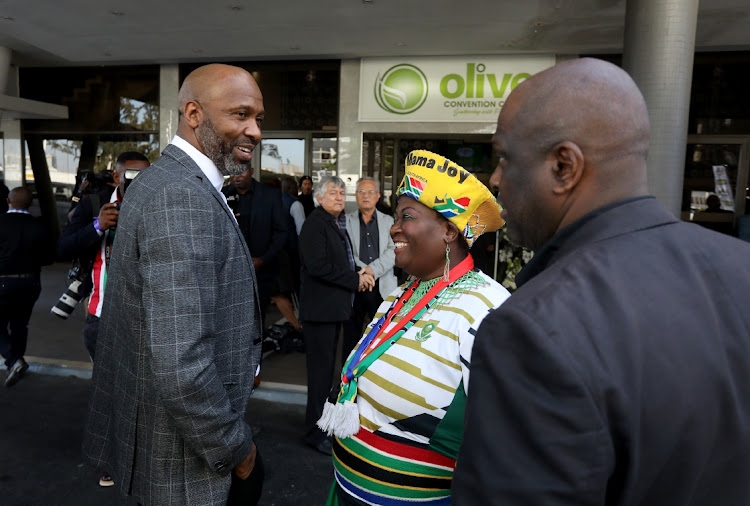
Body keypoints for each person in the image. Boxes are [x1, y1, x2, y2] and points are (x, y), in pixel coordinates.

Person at [453, 58, 750, 505]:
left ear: (564, 167)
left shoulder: (533, 329)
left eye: (503, 158)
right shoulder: (741, 265)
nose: (494, 180)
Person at [82, 64, 265, 506]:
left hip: (171, 450)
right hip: (188, 463)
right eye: (240, 114)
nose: (255, 131)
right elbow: (182, 364)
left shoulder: (167, 181)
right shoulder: (180, 195)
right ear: (194, 113)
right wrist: (238, 451)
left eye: (258, 118)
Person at [318, 150, 510, 505]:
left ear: (449, 231)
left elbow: (509, 445)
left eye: (407, 216)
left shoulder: (489, 309)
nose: (394, 227)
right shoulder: (400, 296)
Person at [299, 175, 374, 455]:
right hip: (319, 313)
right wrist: (355, 280)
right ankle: (313, 433)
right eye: (333, 193)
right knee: (319, 377)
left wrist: (359, 273)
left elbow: (339, 262)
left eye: (342, 193)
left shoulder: (332, 223)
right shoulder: (314, 225)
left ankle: (320, 427)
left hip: (330, 312)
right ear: (319, 197)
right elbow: (319, 267)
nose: (340, 198)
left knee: (326, 374)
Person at [57, 152, 150, 361]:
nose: (140, 181)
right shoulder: (94, 204)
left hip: (144, 317)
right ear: (117, 178)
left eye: (147, 175)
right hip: (101, 314)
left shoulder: (157, 206)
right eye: (132, 174)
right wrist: (97, 226)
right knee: (105, 384)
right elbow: (63, 248)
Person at [0, 187, 54, 387]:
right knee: (20, 324)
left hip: (4, 280)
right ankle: (16, 363)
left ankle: (14, 361)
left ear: (8, 201)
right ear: (30, 203)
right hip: (31, 282)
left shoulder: (1, 223)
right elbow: (49, 257)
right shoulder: (40, 226)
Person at [342, 176, 397, 358]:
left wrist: (372, 270)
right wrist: (363, 272)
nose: (366, 196)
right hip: (355, 285)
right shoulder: (345, 221)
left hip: (382, 286)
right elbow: (346, 251)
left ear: (378, 196)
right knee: (351, 336)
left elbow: (394, 250)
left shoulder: (389, 221)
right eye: (362, 192)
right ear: (356, 196)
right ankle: (346, 377)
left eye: (371, 192)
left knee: (380, 336)